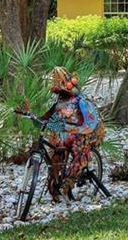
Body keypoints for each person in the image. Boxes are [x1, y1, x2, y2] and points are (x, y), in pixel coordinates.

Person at [36, 67, 105, 199]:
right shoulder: (59, 102)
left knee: (80, 155)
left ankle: (68, 182)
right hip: (63, 134)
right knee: (55, 156)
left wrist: (76, 129)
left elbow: (91, 123)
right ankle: (54, 186)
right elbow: (47, 117)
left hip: (79, 134)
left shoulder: (81, 101)